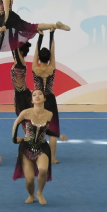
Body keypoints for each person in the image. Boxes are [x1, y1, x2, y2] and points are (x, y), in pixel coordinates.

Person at [11, 89, 68, 205]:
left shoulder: (49, 114)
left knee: (43, 170)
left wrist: (58, 135)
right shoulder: (25, 113)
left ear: (44, 98)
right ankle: (31, 194)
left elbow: (45, 130)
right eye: (34, 95)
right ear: (32, 100)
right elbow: (16, 124)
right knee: (30, 180)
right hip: (26, 147)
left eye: (40, 94)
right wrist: (14, 139)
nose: (37, 96)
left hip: (42, 147)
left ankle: (40, 193)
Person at [33, 30, 61, 163]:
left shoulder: (35, 68)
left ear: (39, 58)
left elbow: (35, 53)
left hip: (38, 100)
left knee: (37, 129)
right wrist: (52, 34)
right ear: (49, 58)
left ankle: (36, 155)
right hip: (50, 99)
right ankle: (53, 158)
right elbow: (53, 51)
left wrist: (40, 36)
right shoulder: (52, 68)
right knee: (53, 130)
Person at [11, 41, 33, 116]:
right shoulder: (16, 61)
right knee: (21, 117)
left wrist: (16, 37)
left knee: (25, 117)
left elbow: (15, 49)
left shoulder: (21, 62)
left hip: (23, 95)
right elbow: (13, 48)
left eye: (16, 51)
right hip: (18, 94)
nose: (14, 53)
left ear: (21, 52)